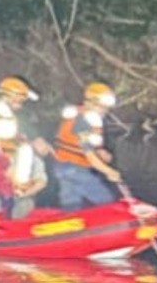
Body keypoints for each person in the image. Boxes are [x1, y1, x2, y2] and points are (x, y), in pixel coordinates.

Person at [0, 76, 50, 218]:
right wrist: (4, 162)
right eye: (18, 101)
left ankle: (7, 214)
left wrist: (22, 144)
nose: (20, 105)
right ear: (9, 97)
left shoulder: (6, 113)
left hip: (4, 156)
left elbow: (11, 136)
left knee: (6, 187)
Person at [53, 81, 124, 209]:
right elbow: (90, 155)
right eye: (103, 107)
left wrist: (99, 151)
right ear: (91, 103)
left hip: (62, 167)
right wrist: (109, 171)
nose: (105, 111)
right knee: (105, 201)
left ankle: (72, 219)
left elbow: (85, 146)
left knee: (71, 205)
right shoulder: (84, 122)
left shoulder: (80, 116)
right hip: (74, 169)